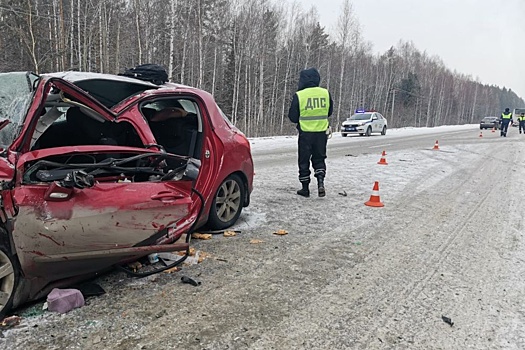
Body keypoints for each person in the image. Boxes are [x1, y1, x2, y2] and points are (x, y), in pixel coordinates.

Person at [288, 68, 333, 197]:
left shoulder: (300, 95)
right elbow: (329, 112)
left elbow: (292, 116)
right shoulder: (325, 93)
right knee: (319, 158)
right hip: (321, 133)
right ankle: (320, 182)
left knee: (304, 160)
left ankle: (305, 188)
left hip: (305, 133)